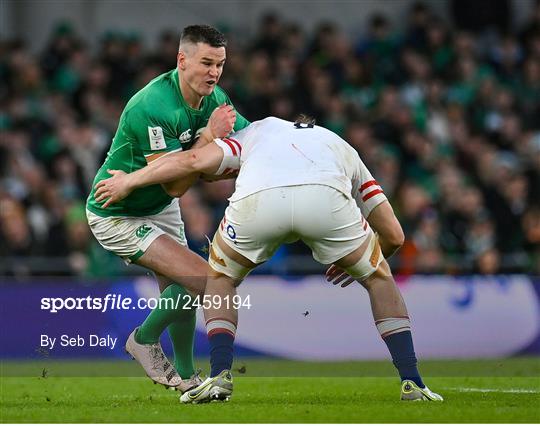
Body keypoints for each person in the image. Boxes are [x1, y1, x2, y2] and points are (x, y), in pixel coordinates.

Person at [93, 116, 442, 403]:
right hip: (324, 200)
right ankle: (412, 382)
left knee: (218, 278)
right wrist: (370, 262)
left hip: (260, 202)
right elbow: (394, 235)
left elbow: (194, 162)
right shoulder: (339, 145)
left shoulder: (254, 132)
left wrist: (129, 181)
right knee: (379, 279)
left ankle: (218, 375)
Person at [85, 25, 250, 392]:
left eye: (220, 64)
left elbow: (249, 139)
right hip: (117, 211)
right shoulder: (153, 105)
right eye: (206, 63)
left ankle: (189, 378)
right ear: (182, 60)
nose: (214, 73)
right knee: (205, 279)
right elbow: (175, 182)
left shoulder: (214, 98)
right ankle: (142, 340)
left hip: (160, 206)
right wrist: (209, 138)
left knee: (183, 287)